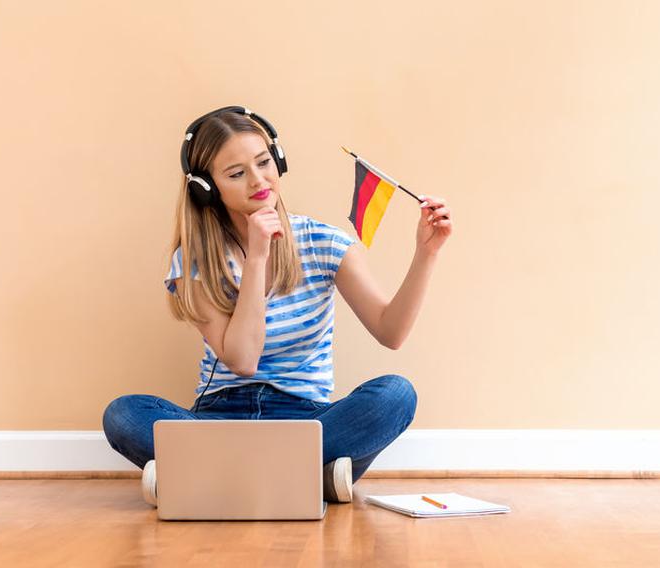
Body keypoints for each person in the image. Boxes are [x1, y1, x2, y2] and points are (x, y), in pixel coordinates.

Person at [102, 107, 452, 504]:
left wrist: (426, 254)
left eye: (264, 162)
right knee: (123, 413)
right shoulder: (195, 260)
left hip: (307, 421)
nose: (258, 180)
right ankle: (302, 478)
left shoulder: (324, 242)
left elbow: (391, 332)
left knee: (395, 394)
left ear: (278, 160)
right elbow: (243, 361)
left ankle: (210, 478)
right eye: (236, 174)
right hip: (219, 418)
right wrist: (256, 258)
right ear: (206, 187)